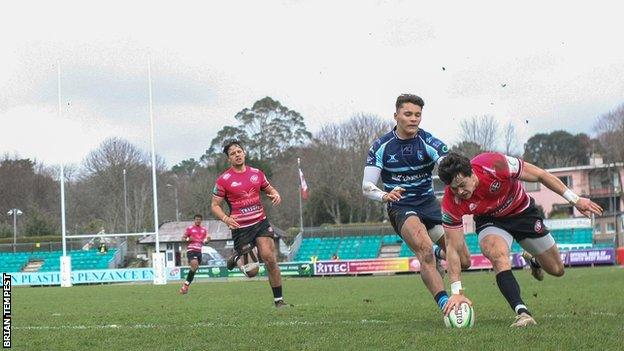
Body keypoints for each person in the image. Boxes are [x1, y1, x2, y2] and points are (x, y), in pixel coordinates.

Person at [439, 152, 603, 327]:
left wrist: (575, 200)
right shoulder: (451, 201)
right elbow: (453, 247)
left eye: (462, 185)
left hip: (523, 213)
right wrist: (456, 291)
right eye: (454, 188)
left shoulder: (495, 164)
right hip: (490, 221)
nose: (459, 192)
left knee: (557, 269)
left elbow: (540, 175)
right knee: (498, 255)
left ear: (472, 173)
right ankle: (522, 312)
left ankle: (534, 261)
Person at [361, 94, 471, 314]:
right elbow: (366, 186)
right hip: (401, 206)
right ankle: (445, 305)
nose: (413, 119)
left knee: (465, 260)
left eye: (417, 115)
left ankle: (442, 255)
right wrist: (385, 195)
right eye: (408, 114)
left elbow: (447, 165)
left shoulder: (429, 142)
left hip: (429, 204)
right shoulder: (381, 146)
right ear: (396, 116)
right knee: (425, 250)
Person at [211, 140, 292, 308]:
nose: (237, 155)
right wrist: (226, 219)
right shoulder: (224, 180)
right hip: (241, 228)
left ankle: (279, 301)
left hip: (260, 223)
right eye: (232, 154)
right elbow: (214, 206)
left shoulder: (257, 173)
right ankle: (236, 257)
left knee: (269, 258)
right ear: (229, 159)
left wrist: (276, 195)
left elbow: (271, 190)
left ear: (244, 153)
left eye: (239, 151)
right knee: (252, 272)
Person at [179, 214, 210, 294]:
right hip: (191, 250)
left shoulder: (204, 230)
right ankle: (185, 285)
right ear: (194, 220)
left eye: (199, 219)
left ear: (201, 220)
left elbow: (204, 242)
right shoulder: (190, 229)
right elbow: (183, 238)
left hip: (199, 251)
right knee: (195, 266)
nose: (198, 221)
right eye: (196, 219)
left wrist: (207, 240)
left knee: (194, 268)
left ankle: (185, 286)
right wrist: (189, 239)